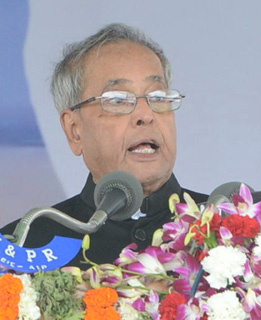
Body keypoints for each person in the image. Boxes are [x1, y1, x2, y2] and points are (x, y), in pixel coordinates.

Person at [0, 23, 207, 267]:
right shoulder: (24, 248)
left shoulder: (234, 230)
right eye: (118, 100)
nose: (146, 114)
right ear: (74, 130)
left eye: (158, 97)